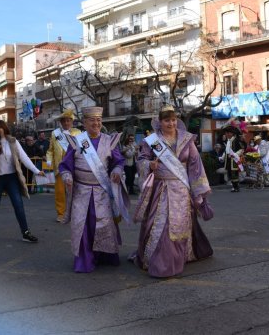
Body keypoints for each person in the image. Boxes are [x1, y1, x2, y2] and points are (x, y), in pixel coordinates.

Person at [132, 105, 213, 277]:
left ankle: (182, 255)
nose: (171, 123)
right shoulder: (152, 141)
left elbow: (195, 164)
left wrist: (198, 189)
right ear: (159, 122)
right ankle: (162, 261)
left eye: (173, 120)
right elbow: (141, 159)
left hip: (182, 189)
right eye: (167, 120)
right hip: (161, 189)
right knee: (161, 223)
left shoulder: (186, 139)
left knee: (182, 223)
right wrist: (149, 165)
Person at [59, 106, 129, 273]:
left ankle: (104, 255)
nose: (96, 123)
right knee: (83, 226)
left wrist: (117, 171)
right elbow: (65, 165)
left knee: (103, 225)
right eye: (92, 120)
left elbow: (118, 162)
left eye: (98, 120)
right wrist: (67, 177)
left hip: (102, 191)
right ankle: (85, 260)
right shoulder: (76, 142)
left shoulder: (109, 140)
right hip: (82, 192)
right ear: (84, 122)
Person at [0, 119, 44, 242]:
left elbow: (24, 157)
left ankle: (25, 232)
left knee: (18, 204)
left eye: (0, 127)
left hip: (11, 178)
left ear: (4, 128)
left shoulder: (12, 142)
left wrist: (36, 170)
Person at [46, 109, 81, 222]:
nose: (66, 123)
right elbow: (50, 150)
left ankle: (75, 213)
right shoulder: (55, 133)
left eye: (68, 121)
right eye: (64, 121)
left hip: (74, 166)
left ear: (72, 121)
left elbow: (84, 150)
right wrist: (49, 160)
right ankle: (61, 213)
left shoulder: (78, 133)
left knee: (75, 192)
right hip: (60, 167)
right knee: (60, 192)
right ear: (61, 122)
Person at [221, 118, 246, 192]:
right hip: (228, 160)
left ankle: (236, 187)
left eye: (229, 133)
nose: (227, 134)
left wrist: (235, 154)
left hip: (234, 160)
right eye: (226, 133)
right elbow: (226, 151)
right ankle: (234, 186)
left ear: (233, 133)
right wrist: (222, 157)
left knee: (234, 174)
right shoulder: (228, 141)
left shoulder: (237, 140)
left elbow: (242, 149)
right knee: (230, 174)